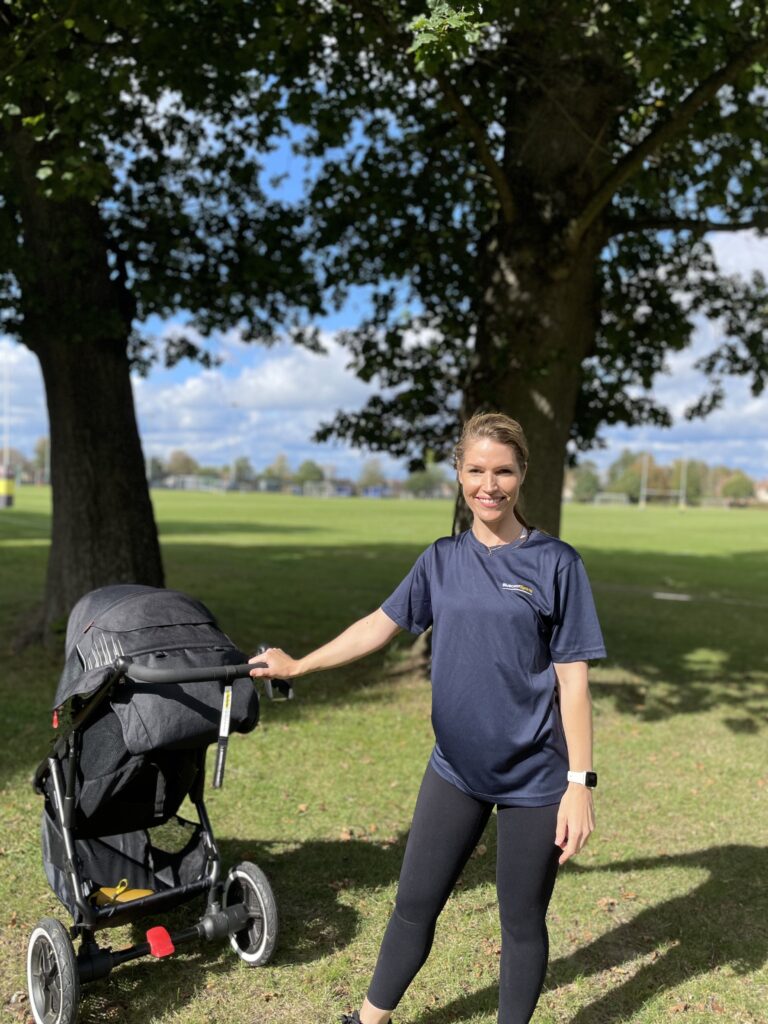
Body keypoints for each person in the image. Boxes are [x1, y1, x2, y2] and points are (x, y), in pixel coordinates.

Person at [249, 412, 606, 1024]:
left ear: (522, 475)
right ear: (459, 475)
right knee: (414, 903)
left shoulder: (556, 563)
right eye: (475, 470)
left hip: (536, 781)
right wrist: (300, 665)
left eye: (502, 471)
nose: (488, 485)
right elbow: (379, 626)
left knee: (521, 922)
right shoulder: (440, 559)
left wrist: (580, 785)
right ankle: (367, 1021)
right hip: (456, 770)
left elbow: (573, 680)